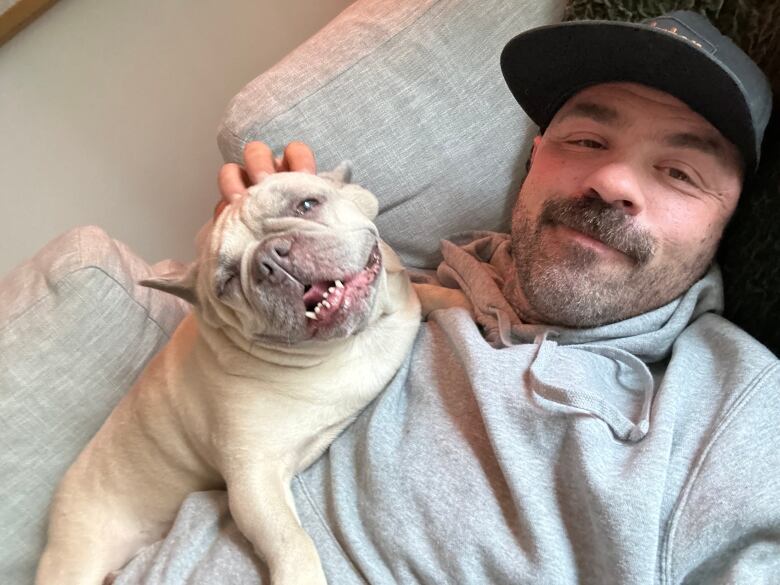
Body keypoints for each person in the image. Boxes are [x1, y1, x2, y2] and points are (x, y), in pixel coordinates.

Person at [115, 10, 779, 584]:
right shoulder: (401, 280)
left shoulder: (733, 415)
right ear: (534, 158)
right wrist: (252, 275)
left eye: (680, 172)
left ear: (729, 222)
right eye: (586, 140)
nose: (610, 180)